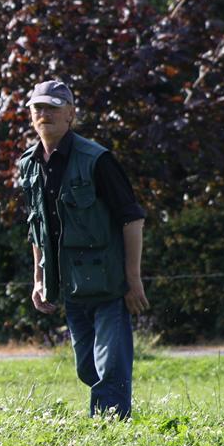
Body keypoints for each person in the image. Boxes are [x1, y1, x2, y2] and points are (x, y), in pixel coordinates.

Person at [17, 80, 149, 419]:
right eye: (38, 108)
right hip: (72, 286)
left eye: (52, 107)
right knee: (86, 368)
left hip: (108, 283)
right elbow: (37, 226)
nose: (44, 114)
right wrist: (38, 278)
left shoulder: (98, 160)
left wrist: (132, 279)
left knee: (110, 366)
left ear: (71, 114)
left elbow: (131, 219)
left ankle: (111, 432)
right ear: (31, 115)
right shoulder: (29, 165)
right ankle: (108, 419)